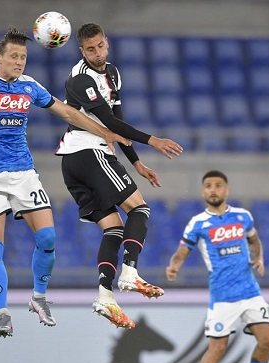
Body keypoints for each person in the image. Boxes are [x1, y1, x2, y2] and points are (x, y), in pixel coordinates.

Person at [0, 27, 131, 338]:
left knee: (49, 238)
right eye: (13, 56)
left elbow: (65, 111)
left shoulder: (29, 86)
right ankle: (1, 312)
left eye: (23, 57)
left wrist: (103, 132)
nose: (19, 62)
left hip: (23, 172)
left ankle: (38, 299)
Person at [56, 23, 183, 330]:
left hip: (76, 161)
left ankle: (105, 296)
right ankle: (130, 272)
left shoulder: (112, 74)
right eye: (90, 49)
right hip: (89, 154)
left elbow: (119, 120)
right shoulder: (80, 79)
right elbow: (108, 122)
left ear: (107, 43)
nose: (97, 53)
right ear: (81, 51)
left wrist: (137, 162)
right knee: (139, 209)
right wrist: (152, 140)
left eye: (100, 46)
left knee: (113, 230)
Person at [165, 170, 269, 363]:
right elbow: (182, 251)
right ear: (203, 192)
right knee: (218, 348)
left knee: (267, 340)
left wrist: (258, 258)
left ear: (226, 190)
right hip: (222, 297)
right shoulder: (198, 223)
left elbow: (255, 242)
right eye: (208, 186)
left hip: (250, 292)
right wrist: (174, 266)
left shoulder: (243, 216)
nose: (213, 190)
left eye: (218, 185)